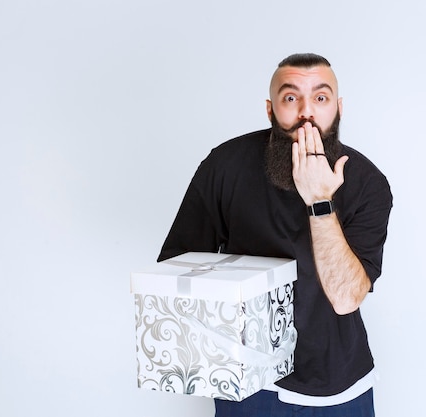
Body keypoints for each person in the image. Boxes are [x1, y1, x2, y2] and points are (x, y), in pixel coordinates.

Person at [158, 53, 393, 417]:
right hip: (249, 382)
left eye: (320, 97)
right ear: (270, 109)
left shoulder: (368, 183)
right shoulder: (224, 166)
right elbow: (179, 270)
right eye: (290, 98)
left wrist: (320, 202)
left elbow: (347, 298)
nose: (306, 113)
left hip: (336, 387)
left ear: (338, 107)